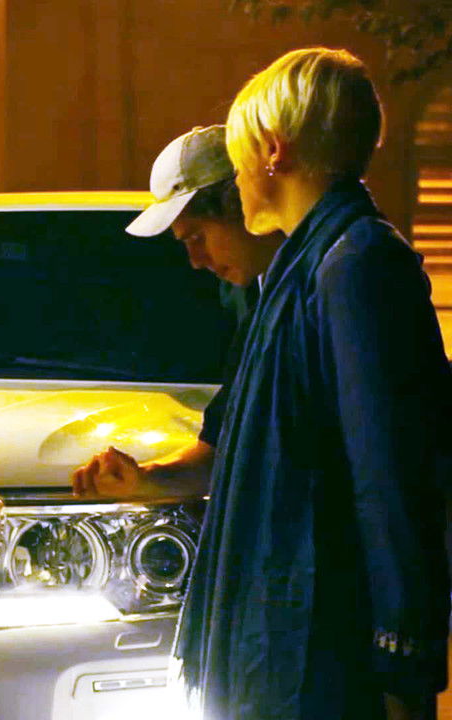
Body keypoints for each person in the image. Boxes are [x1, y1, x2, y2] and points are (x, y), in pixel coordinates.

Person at [176, 48, 452, 720]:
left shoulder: (355, 264)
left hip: (319, 659)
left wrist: (402, 656)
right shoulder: (313, 266)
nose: (237, 177)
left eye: (239, 156)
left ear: (273, 151)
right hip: (293, 649)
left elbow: (391, 477)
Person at [71, 125, 280, 498]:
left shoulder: (316, 290)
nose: (196, 260)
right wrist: (143, 479)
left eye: (197, 237)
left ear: (242, 205)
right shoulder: (260, 308)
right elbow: (220, 454)